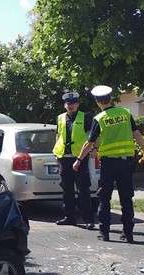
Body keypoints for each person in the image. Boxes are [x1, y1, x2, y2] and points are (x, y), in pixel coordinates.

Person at [73, 85, 144, 243]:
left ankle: (104, 233)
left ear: (97, 102)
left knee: (104, 198)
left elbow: (89, 143)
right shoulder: (125, 113)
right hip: (126, 163)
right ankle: (128, 234)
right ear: (110, 99)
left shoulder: (99, 119)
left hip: (108, 164)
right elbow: (137, 134)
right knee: (126, 198)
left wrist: (79, 160)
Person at [53, 91, 95, 229]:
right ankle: (69, 217)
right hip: (64, 159)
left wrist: (95, 149)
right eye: (68, 104)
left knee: (83, 190)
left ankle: (88, 219)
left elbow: (94, 136)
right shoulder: (60, 118)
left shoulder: (86, 118)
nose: (70, 106)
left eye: (73, 103)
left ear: (77, 104)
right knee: (67, 190)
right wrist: (56, 154)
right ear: (65, 105)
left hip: (80, 159)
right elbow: (58, 136)